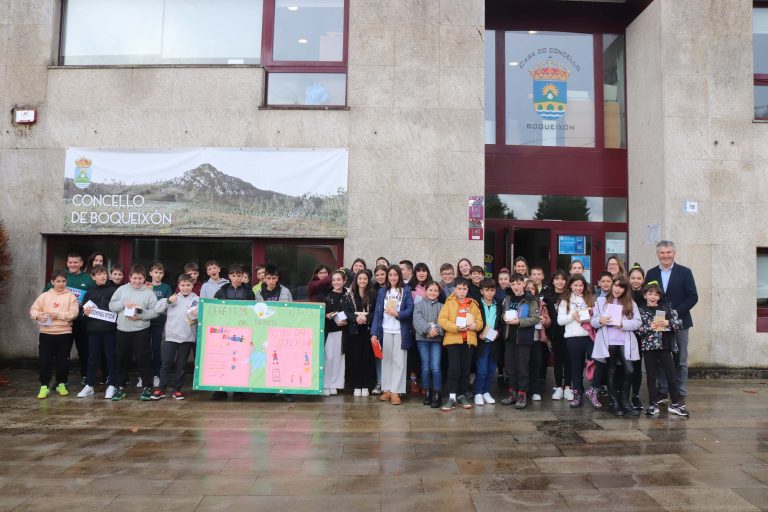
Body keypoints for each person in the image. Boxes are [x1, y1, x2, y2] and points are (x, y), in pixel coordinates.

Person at [644, 240, 698, 406]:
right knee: (662, 357)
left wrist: (675, 312)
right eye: (662, 252)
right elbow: (647, 296)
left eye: (668, 252)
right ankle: (663, 391)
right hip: (659, 322)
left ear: (674, 253)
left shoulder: (685, 272)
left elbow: (693, 297)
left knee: (680, 359)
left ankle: (680, 392)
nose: (665, 255)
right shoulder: (651, 273)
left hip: (680, 321)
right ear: (658, 254)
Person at [590, 275, 641, 416]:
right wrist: (600, 320)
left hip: (624, 341)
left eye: (621, 287)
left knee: (629, 370)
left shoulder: (630, 303)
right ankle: (614, 403)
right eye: (616, 285)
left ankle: (625, 402)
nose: (617, 289)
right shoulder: (601, 301)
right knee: (611, 370)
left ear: (625, 289)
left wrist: (622, 324)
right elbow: (593, 321)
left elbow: (637, 322)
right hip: (609, 341)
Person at [636, 281, 689, 417]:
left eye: (656, 294)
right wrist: (650, 327)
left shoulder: (666, 308)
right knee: (651, 376)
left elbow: (679, 324)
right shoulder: (640, 310)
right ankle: (653, 404)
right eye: (650, 294)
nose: (653, 297)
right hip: (649, 348)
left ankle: (675, 404)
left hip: (665, 346)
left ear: (659, 297)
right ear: (645, 295)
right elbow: (638, 329)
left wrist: (668, 322)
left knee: (671, 375)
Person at [108, 265, 159, 401]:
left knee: (144, 359)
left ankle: (147, 387)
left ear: (144, 278)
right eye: (134, 278)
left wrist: (140, 316)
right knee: (121, 360)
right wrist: (123, 303)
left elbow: (155, 312)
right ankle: (120, 387)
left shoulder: (149, 293)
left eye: (140, 278)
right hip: (122, 330)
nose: (137, 281)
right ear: (129, 277)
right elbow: (111, 306)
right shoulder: (121, 289)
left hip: (141, 331)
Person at [46, 252, 94, 386]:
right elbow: (46, 295)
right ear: (67, 263)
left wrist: (87, 306)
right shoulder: (61, 277)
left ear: (81, 263)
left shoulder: (88, 279)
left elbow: (94, 297)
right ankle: (62, 380)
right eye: (70, 262)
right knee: (63, 352)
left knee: (84, 351)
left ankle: (86, 376)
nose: (73, 265)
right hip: (63, 322)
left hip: (82, 322)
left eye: (75, 262)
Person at [30, 270, 79, 398]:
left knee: (63, 360)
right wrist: (39, 316)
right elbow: (33, 310)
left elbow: (74, 314)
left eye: (63, 281)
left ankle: (61, 384)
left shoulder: (71, 296)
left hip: (64, 333)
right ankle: (44, 386)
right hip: (46, 333)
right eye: (58, 281)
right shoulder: (44, 296)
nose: (61, 284)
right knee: (45, 360)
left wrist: (58, 315)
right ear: (52, 282)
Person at [370, 265, 414, 406]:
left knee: (399, 361)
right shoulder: (383, 291)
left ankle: (396, 391)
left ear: (399, 276)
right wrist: (374, 333)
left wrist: (397, 314)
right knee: (387, 361)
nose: (393, 277)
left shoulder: (406, 290)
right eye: (390, 275)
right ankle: (388, 389)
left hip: (400, 331)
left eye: (395, 275)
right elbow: (377, 314)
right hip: (385, 330)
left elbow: (410, 310)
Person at [151, 273, 199, 400]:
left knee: (181, 365)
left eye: (188, 285)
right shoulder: (173, 297)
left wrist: (197, 314)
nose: (185, 288)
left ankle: (177, 389)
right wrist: (168, 301)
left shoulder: (197, 300)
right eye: (183, 285)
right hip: (171, 336)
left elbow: (201, 317)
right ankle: (161, 389)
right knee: (166, 363)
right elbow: (157, 309)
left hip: (187, 337)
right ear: (178, 285)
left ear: (192, 285)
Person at [438, 278, 483, 411]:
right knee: (454, 369)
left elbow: (480, 321)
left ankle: (462, 395)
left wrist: (475, 325)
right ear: (455, 289)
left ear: (467, 290)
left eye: (464, 289)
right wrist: (456, 328)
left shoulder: (473, 304)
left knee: (465, 369)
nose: (462, 291)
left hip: (468, 342)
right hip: (453, 341)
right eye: (459, 289)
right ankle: (452, 397)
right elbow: (442, 320)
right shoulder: (449, 303)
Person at [499, 273, 540, 409]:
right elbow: (502, 315)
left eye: (518, 283)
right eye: (513, 284)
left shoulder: (531, 299)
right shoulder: (508, 298)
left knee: (522, 368)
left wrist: (519, 322)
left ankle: (522, 394)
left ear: (523, 284)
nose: (515, 286)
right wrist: (504, 318)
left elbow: (535, 318)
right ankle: (513, 393)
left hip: (523, 339)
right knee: (510, 367)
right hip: (509, 338)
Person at [78, 265, 118, 399]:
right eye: (99, 274)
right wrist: (85, 313)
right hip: (93, 330)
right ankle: (89, 385)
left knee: (111, 357)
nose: (103, 276)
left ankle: (112, 385)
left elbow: (118, 309)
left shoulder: (113, 291)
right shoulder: (89, 293)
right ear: (93, 277)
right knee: (92, 358)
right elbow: (83, 313)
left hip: (109, 330)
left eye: (104, 274)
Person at [557, 273, 594, 407]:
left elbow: (595, 317)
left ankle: (594, 389)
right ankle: (577, 392)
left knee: (596, 360)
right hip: (572, 337)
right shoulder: (565, 301)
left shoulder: (589, 299)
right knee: (576, 366)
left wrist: (590, 318)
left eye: (581, 285)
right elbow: (560, 321)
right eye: (575, 285)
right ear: (570, 286)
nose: (578, 288)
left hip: (588, 336)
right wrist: (572, 316)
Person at [344, 270, 377, 397]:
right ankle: (356, 385)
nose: (362, 281)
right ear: (356, 280)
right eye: (360, 278)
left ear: (368, 280)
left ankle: (366, 385)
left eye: (365, 279)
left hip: (368, 331)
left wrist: (366, 318)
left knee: (367, 358)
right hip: (354, 330)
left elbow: (376, 312)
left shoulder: (373, 294)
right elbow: (346, 311)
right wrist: (355, 318)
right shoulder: (349, 294)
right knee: (355, 358)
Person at [412, 281, 444, 408]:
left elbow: (444, 321)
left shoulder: (442, 306)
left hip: (436, 340)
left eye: (435, 291)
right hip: (422, 339)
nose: (432, 293)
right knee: (425, 366)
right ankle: (427, 391)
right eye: (430, 290)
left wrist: (437, 330)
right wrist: (428, 329)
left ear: (439, 293)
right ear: (425, 291)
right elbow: (417, 320)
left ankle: (437, 392)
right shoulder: (418, 305)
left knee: (435, 366)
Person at [544, 270, 572, 401]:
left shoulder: (570, 295)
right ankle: (559, 387)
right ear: (552, 281)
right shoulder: (547, 296)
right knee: (558, 360)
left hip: (569, 331)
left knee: (568, 360)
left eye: (562, 279)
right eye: (557, 279)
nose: (560, 282)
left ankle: (568, 387)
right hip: (554, 332)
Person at [475, 278, 502, 406]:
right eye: (487, 290)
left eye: (492, 290)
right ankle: (478, 393)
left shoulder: (499, 304)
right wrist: (478, 334)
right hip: (481, 342)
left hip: (494, 342)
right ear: (482, 291)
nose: (490, 293)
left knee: (491, 370)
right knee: (482, 370)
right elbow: (473, 321)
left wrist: (498, 332)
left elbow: (502, 322)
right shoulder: (476, 304)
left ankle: (486, 392)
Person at [323, 270, 348, 396]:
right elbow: (320, 311)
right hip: (329, 330)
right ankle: (325, 384)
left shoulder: (348, 295)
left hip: (342, 331)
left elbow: (351, 312)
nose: (336, 282)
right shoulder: (326, 295)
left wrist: (346, 321)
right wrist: (326, 315)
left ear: (344, 281)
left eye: (339, 280)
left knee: (339, 358)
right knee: (328, 358)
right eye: (334, 280)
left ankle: (335, 384)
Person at [147, 263, 172, 388]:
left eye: (160, 273)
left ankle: (156, 375)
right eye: (156, 272)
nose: (158, 275)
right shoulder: (145, 285)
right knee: (144, 350)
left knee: (156, 349)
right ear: (150, 273)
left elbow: (167, 304)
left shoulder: (166, 287)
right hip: (144, 322)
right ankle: (144, 375)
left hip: (159, 322)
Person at [370, 264, 388, 394]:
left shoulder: (394, 289)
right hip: (376, 327)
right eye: (377, 275)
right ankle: (379, 381)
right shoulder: (373, 290)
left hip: (391, 327)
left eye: (382, 274)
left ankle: (389, 384)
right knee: (378, 355)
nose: (380, 277)